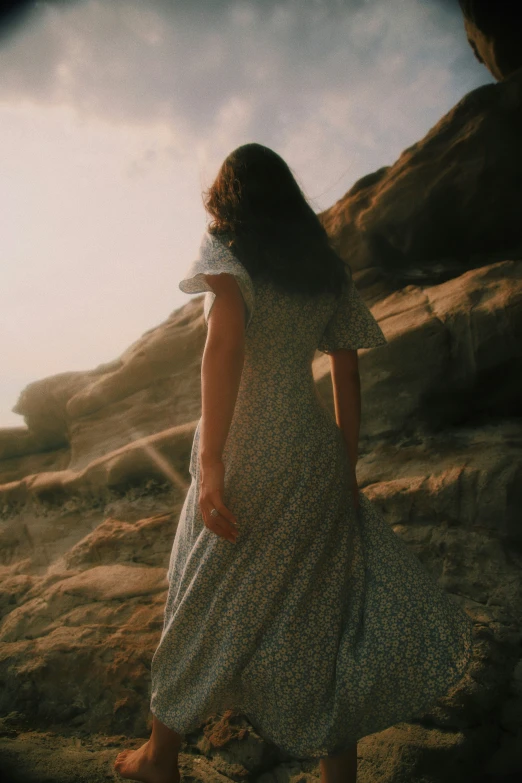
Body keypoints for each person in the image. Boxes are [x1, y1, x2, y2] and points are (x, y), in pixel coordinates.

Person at [114, 143, 474, 783]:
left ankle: (158, 758)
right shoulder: (323, 269)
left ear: (229, 194)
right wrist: (346, 468)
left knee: (199, 598)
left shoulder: (227, 246)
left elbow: (223, 347)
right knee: (326, 614)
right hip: (312, 453)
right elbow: (347, 373)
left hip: (246, 447)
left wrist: (214, 461)